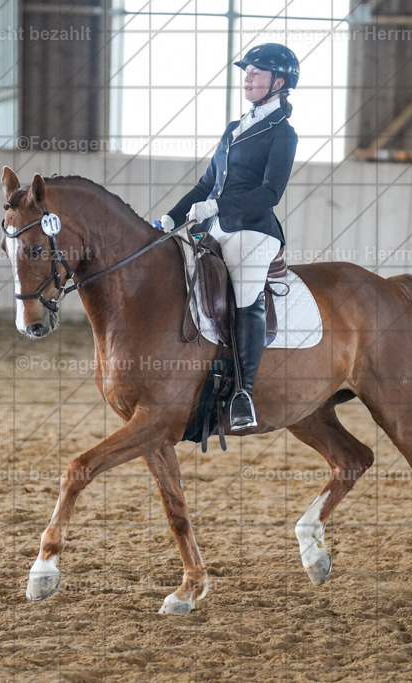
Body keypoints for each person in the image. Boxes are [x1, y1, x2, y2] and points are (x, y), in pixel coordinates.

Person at [159, 43, 299, 431]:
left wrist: (217, 208)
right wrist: (168, 219)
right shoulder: (235, 127)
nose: (248, 77)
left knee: (246, 293)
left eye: (257, 72)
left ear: (279, 82)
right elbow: (207, 183)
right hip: (216, 226)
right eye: (246, 71)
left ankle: (243, 394)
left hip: (254, 231)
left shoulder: (282, 133)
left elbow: (270, 193)